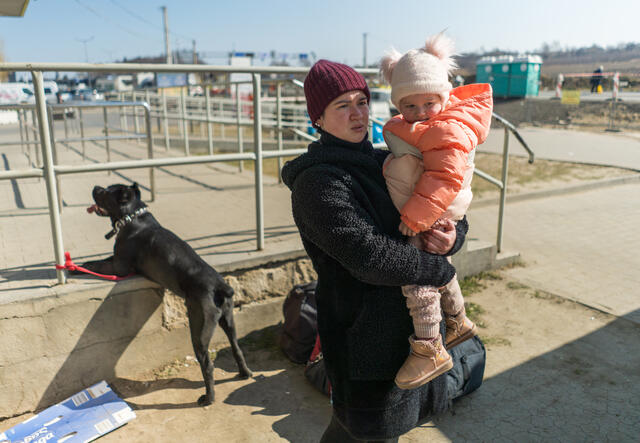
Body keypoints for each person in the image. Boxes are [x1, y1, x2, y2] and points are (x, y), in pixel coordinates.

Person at [281, 59, 476, 442]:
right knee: (371, 429)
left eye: (362, 102)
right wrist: (441, 271)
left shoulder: (384, 158)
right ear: (317, 118)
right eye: (343, 106)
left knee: (358, 430)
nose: (358, 114)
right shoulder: (318, 182)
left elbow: (445, 202)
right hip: (362, 336)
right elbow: (368, 257)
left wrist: (453, 237)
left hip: (406, 331)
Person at [379, 32, 493, 390]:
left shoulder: (445, 128)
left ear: (443, 97)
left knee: (419, 281)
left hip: (432, 208)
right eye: (408, 106)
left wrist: (414, 217)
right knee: (437, 268)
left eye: (428, 103)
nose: (418, 113)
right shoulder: (431, 124)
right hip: (435, 209)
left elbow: (443, 176)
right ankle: (457, 321)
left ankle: (429, 346)